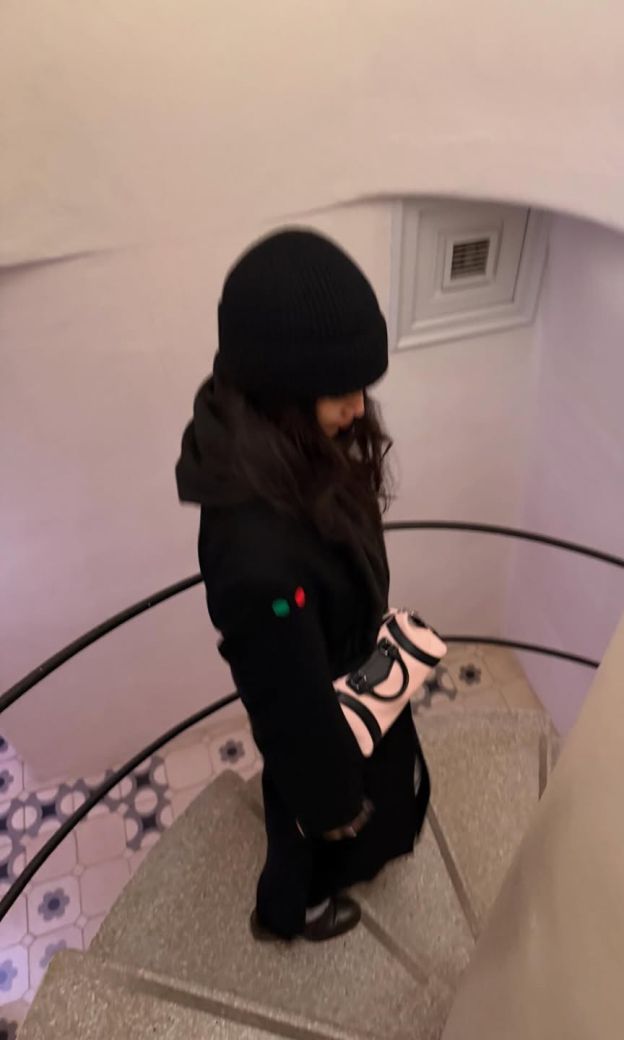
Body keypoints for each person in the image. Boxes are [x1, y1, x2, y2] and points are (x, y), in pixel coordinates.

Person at [176, 229, 430, 942]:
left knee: (320, 801)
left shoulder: (295, 444)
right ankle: (287, 914)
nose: (360, 409)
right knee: (302, 828)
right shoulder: (255, 554)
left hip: (347, 686)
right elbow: (284, 699)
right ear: (281, 390)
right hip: (321, 720)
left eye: (361, 387)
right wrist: (332, 802)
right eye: (339, 393)